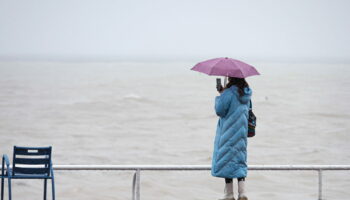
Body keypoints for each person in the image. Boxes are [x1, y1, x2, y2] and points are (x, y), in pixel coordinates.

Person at [212, 77, 252, 200]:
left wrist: (221, 94)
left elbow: (220, 111)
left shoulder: (228, 93)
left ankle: (229, 194)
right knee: (239, 160)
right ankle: (242, 193)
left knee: (226, 160)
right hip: (241, 132)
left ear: (230, 79)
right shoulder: (246, 93)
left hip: (228, 132)